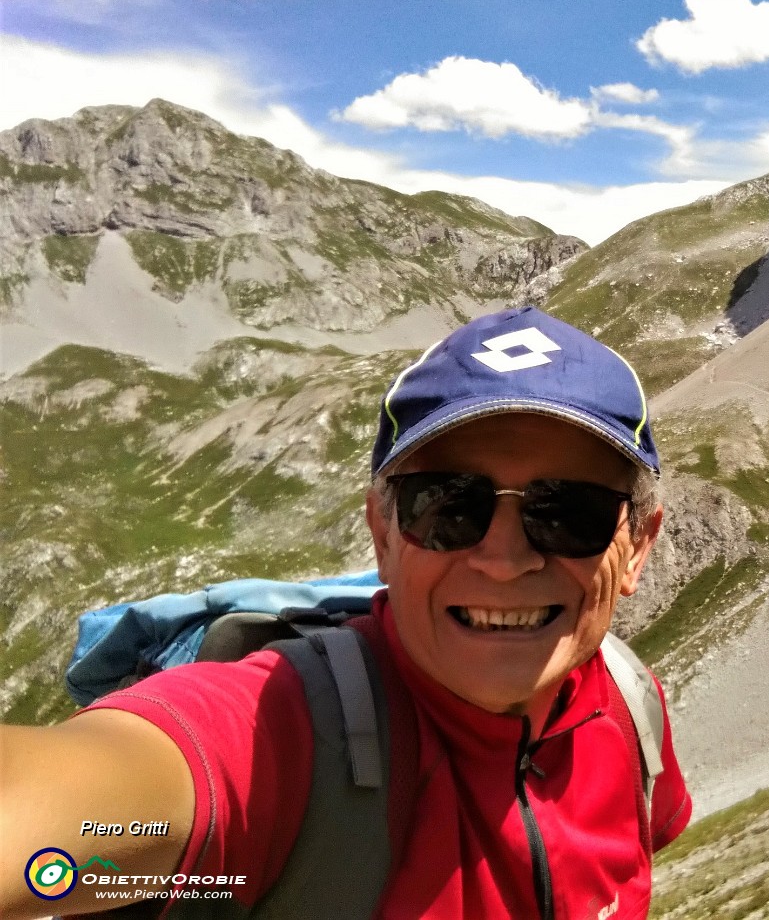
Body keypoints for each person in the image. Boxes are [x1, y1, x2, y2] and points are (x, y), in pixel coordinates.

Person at [0, 306, 691, 920]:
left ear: (637, 547)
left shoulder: (634, 709)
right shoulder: (282, 731)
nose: (504, 560)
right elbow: (54, 823)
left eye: (568, 513)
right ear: (383, 535)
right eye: (447, 505)